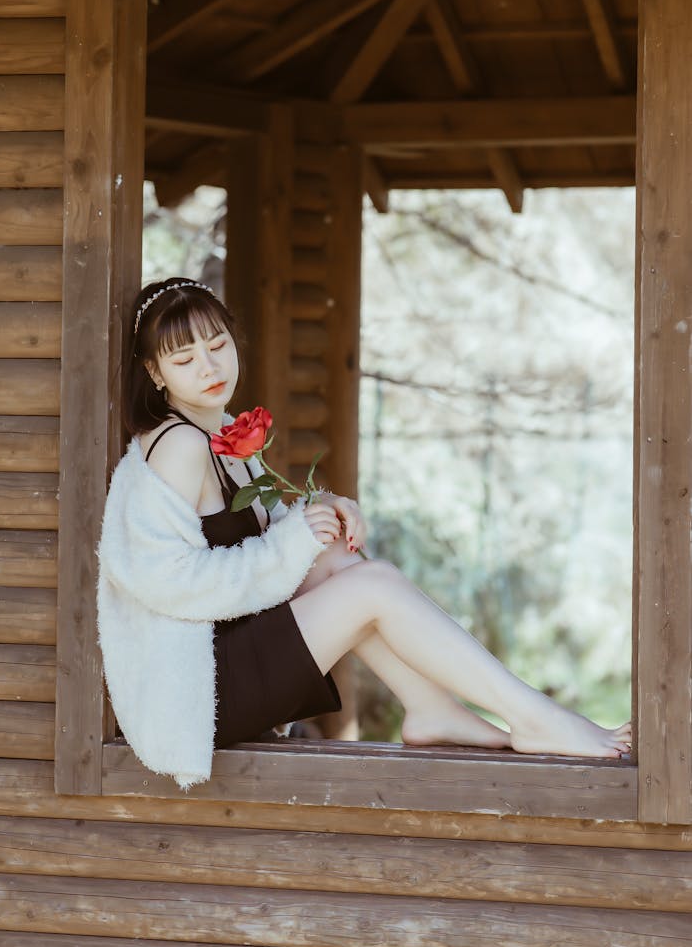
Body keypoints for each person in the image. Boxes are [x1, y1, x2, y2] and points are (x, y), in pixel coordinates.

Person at [96, 276, 631, 791]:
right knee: (369, 586)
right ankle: (533, 716)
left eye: (218, 346)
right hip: (198, 693)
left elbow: (262, 544)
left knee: (342, 562)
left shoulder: (217, 430)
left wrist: (319, 512)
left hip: (226, 661)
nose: (209, 367)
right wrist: (295, 539)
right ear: (155, 371)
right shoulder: (178, 445)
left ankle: (432, 708)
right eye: (184, 359)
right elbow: (167, 581)